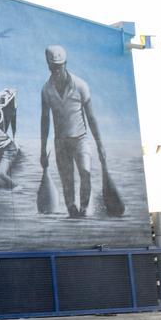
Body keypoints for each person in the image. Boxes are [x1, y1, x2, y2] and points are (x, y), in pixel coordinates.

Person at [40, 45, 108, 218]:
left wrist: (100, 146)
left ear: (65, 64)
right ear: (48, 65)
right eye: (53, 66)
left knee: (85, 173)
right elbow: (45, 120)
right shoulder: (46, 90)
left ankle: (85, 210)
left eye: (59, 66)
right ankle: (72, 211)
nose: (56, 69)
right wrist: (42, 150)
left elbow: (91, 118)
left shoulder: (80, 85)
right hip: (60, 141)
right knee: (67, 179)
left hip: (80, 139)